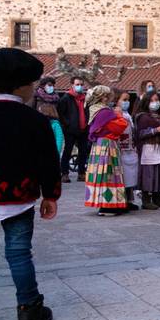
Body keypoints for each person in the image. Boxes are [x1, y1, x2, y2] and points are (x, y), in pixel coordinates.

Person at [0, 48, 59, 320]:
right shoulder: (36, 121)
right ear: (22, 86)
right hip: (20, 198)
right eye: (32, 84)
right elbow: (48, 162)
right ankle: (28, 309)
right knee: (19, 254)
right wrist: (50, 195)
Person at [84, 86, 129, 216]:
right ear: (103, 97)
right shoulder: (105, 112)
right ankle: (109, 205)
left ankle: (104, 204)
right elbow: (119, 127)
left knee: (102, 173)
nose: (111, 98)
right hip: (107, 145)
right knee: (108, 173)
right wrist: (119, 116)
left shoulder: (95, 110)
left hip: (99, 145)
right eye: (109, 96)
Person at [134, 92, 160, 210]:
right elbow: (140, 133)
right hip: (148, 148)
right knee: (149, 174)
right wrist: (155, 130)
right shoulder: (143, 117)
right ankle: (146, 199)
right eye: (152, 101)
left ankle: (157, 197)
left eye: (157, 100)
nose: (155, 103)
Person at [57, 76, 90, 183]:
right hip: (70, 130)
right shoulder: (66, 98)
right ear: (72, 85)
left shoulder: (85, 98)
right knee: (67, 151)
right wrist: (67, 125)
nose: (79, 86)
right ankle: (65, 174)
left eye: (81, 84)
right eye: (77, 84)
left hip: (83, 129)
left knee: (83, 152)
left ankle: (81, 173)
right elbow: (60, 114)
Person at [116, 91, 139, 211]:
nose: (127, 102)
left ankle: (129, 200)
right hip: (121, 148)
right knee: (123, 176)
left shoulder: (127, 115)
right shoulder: (116, 114)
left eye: (128, 100)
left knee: (130, 176)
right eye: (124, 99)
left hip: (130, 148)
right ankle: (122, 201)